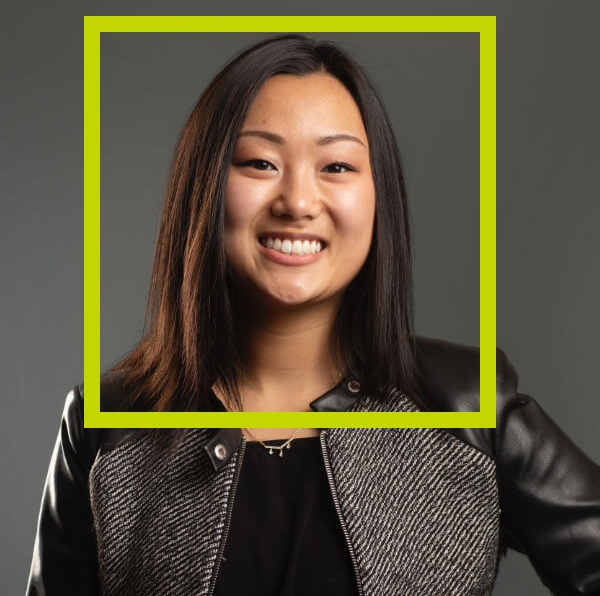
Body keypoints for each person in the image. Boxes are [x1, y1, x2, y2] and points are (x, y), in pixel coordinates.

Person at [26, 34, 600, 596]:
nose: (298, 202)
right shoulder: (108, 425)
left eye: (337, 167)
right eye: (259, 162)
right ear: (203, 188)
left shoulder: (470, 408)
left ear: (381, 196)